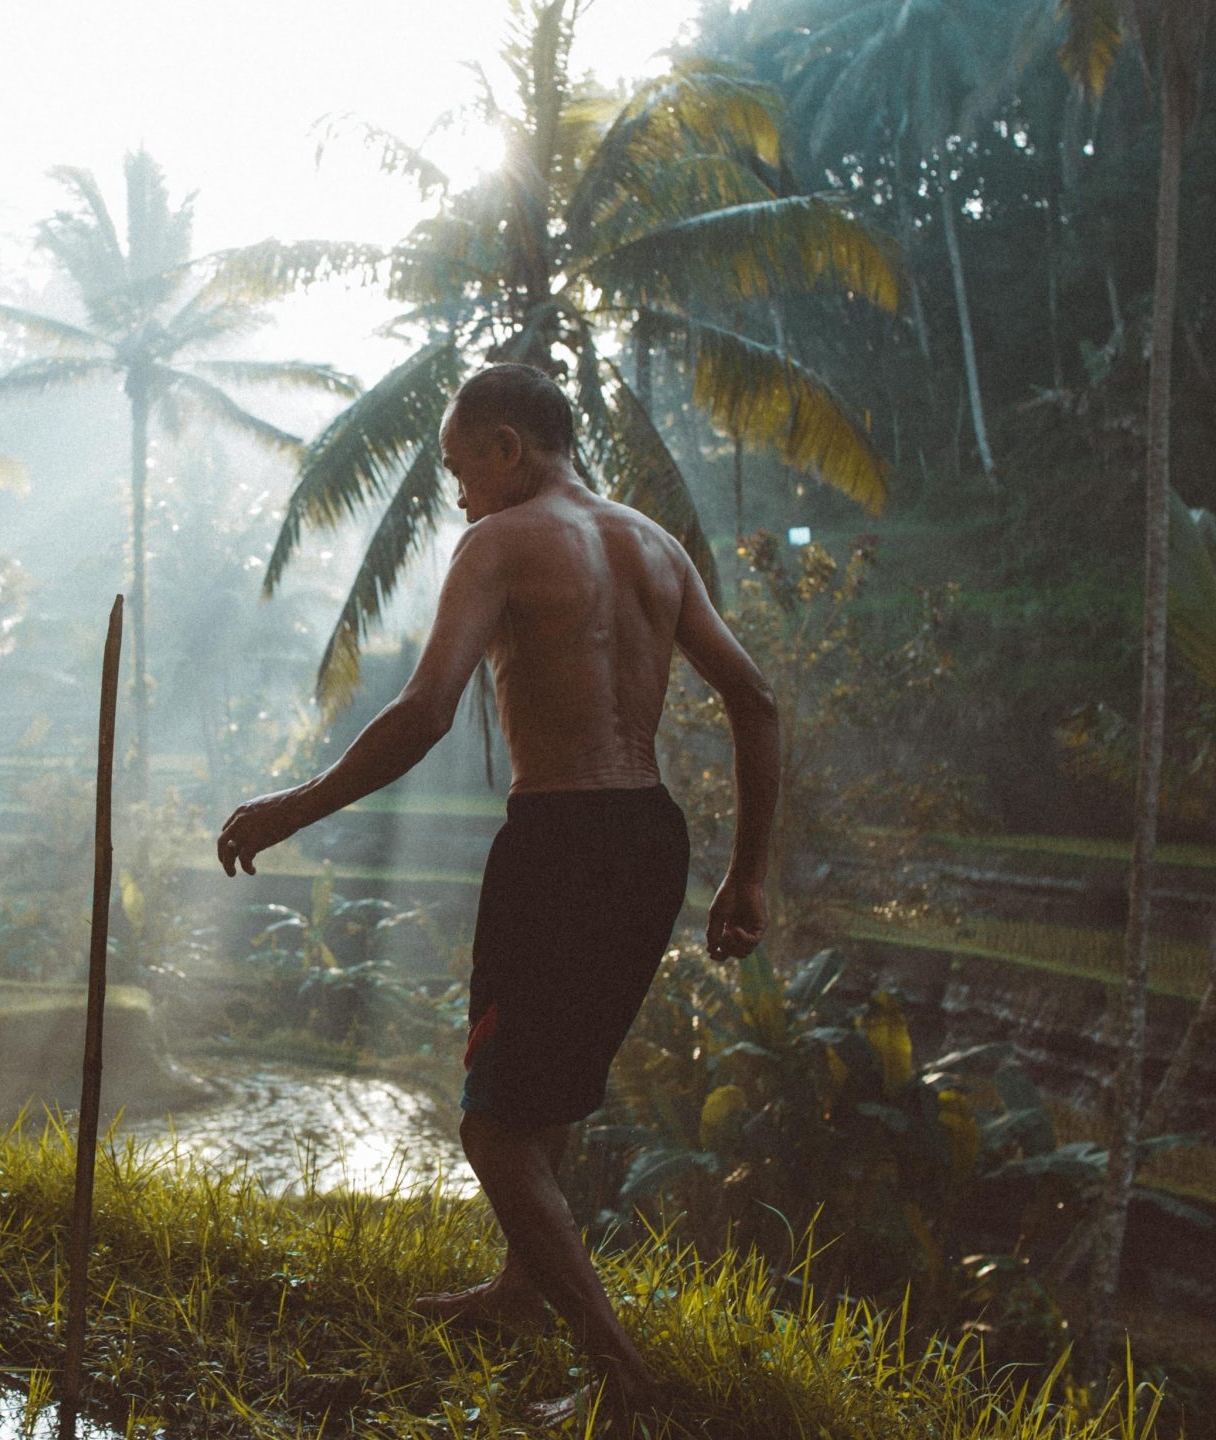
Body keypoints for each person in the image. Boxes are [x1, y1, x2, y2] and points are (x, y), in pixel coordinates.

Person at [216, 361, 781, 1425]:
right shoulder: (654, 545)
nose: (455, 492)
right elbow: (754, 698)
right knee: (548, 1082)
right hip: (650, 838)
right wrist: (747, 872)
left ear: (507, 448)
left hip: (561, 839)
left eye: (457, 465)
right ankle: (522, 1292)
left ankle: (625, 1380)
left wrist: (294, 807)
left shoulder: (498, 543)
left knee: (492, 1129)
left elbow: (428, 710)